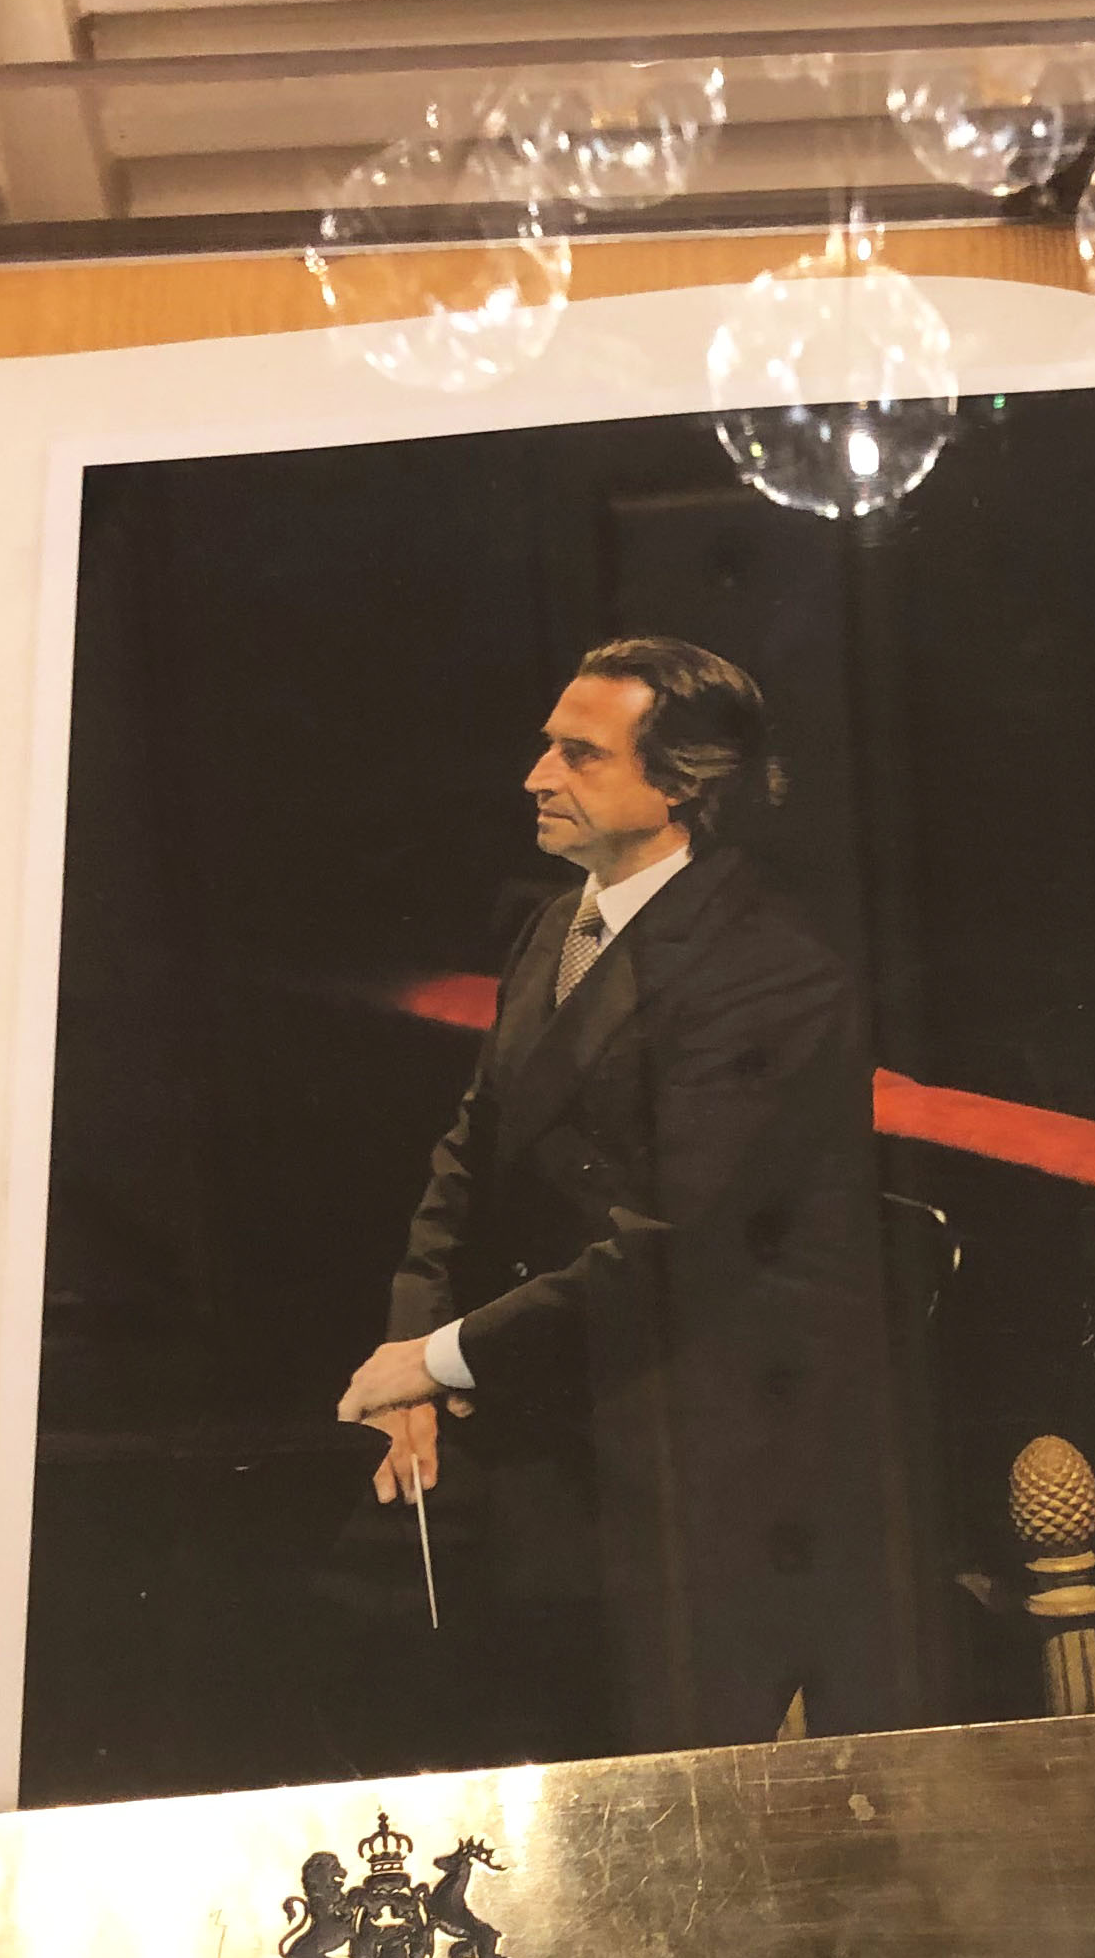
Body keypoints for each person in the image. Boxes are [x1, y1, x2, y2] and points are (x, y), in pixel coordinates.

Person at [335, 636, 902, 1756]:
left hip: (698, 1444)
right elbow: (471, 1150)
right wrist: (413, 1357)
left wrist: (441, 1358)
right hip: (553, 1388)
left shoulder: (768, 970)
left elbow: (677, 1241)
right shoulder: (559, 922)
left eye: (579, 755)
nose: (536, 776)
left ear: (682, 783)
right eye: (547, 746)